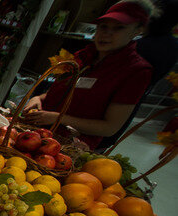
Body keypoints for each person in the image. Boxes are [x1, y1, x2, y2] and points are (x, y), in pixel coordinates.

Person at [23, 0, 157, 150]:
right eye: (103, 26)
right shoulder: (84, 56)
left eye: (118, 28)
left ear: (138, 30)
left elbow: (109, 127)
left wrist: (57, 118)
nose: (106, 34)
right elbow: (60, 92)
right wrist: (37, 98)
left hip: (67, 147)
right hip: (34, 134)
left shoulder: (136, 71)